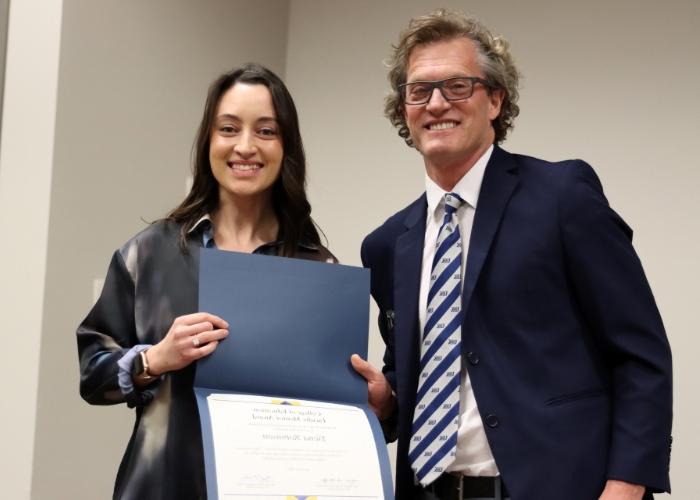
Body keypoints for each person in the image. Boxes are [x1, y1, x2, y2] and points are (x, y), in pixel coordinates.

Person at [351, 9, 672, 500]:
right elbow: (416, 374)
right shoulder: (387, 243)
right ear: (405, 109)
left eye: (458, 86)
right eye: (419, 90)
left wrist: (627, 485)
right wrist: (387, 400)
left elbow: (640, 355)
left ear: (495, 100)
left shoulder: (563, 196)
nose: (437, 103)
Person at [77, 63, 335, 500]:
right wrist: (155, 358)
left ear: (286, 146)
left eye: (266, 131)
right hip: (161, 485)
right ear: (209, 142)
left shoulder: (318, 269)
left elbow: (331, 408)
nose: (245, 146)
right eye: (229, 128)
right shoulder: (149, 253)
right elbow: (91, 377)